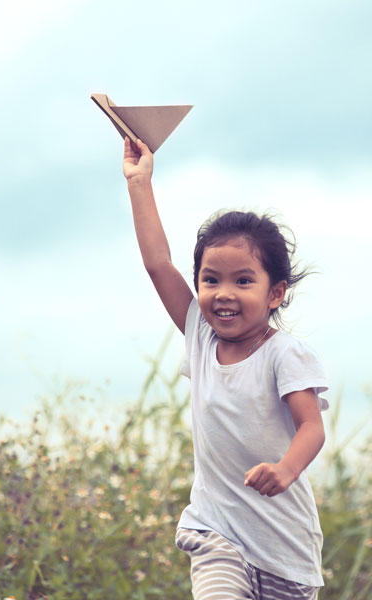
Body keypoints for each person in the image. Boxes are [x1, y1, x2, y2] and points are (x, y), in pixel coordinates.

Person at [122, 137, 329, 600]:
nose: (223, 293)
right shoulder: (199, 334)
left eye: (243, 281)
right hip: (217, 533)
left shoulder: (285, 354)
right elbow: (158, 264)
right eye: (210, 280)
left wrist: (286, 469)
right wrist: (140, 183)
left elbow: (311, 427)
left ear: (275, 293)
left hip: (284, 549)